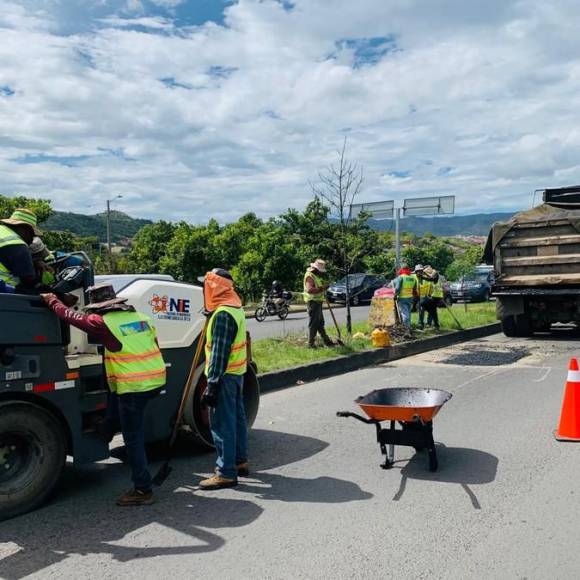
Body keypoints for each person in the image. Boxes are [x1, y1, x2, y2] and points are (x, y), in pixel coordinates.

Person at [40, 283, 166, 506]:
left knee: (133, 438)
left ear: (99, 307)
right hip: (154, 380)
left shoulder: (101, 322)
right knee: (116, 402)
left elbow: (70, 316)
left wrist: (52, 300)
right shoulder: (142, 318)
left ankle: (142, 490)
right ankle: (107, 429)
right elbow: (153, 346)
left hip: (133, 387)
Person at [198, 268, 249, 490]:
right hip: (236, 374)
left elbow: (219, 352)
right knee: (237, 419)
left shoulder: (223, 316)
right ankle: (239, 461)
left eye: (207, 285)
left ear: (214, 288)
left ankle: (226, 472)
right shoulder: (234, 308)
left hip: (224, 376)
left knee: (222, 424)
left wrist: (212, 384)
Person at [0, 208, 41, 292]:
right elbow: (30, 282)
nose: (31, 240)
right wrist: (60, 295)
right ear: (26, 230)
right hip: (5, 295)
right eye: (32, 235)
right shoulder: (18, 244)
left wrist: (36, 261)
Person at [303, 259, 334, 348]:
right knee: (314, 324)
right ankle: (310, 344)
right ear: (315, 269)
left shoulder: (314, 276)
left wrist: (322, 287)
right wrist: (322, 288)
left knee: (320, 323)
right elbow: (310, 290)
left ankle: (327, 341)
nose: (321, 273)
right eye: (320, 271)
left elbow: (316, 287)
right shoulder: (310, 276)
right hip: (313, 303)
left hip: (317, 303)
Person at [393, 262, 418, 328]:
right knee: (408, 313)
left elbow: (397, 288)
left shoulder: (400, 277)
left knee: (404, 313)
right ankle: (409, 327)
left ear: (401, 269)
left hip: (402, 298)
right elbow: (414, 290)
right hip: (410, 298)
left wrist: (395, 295)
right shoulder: (413, 278)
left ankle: (404, 327)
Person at [415, 265, 433, 330]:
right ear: (416, 272)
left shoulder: (426, 278)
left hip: (427, 296)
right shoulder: (414, 278)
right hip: (419, 297)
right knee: (421, 311)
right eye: (418, 271)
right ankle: (420, 324)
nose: (420, 272)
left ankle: (429, 323)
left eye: (421, 271)